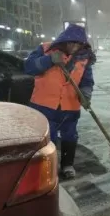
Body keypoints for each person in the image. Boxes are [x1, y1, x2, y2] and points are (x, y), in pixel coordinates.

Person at [25, 24, 96, 179]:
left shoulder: (84, 58)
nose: (74, 47)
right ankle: (47, 166)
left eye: (78, 44)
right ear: (65, 40)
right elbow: (29, 67)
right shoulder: (45, 49)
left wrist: (85, 94)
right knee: (45, 139)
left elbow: (87, 81)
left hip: (70, 105)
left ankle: (67, 165)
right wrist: (48, 60)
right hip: (44, 105)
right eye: (72, 42)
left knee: (70, 136)